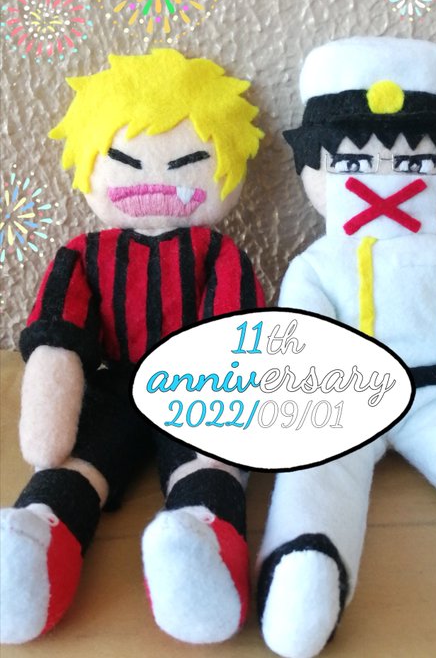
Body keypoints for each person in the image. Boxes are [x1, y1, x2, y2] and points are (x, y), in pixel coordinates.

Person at [257, 36, 436, 658]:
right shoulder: (314, 265)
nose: (383, 177)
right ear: (314, 170)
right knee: (313, 475)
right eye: (354, 162)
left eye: (414, 161)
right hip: (343, 403)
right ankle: (305, 566)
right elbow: (299, 338)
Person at [0, 49, 264, 645]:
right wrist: (48, 415)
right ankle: (33, 546)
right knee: (70, 465)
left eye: (188, 163)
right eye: (126, 162)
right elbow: (58, 337)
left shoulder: (218, 252)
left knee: (209, 463)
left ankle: (201, 544)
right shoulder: (82, 254)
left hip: (197, 383)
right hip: (109, 384)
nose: (154, 183)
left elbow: (236, 335)